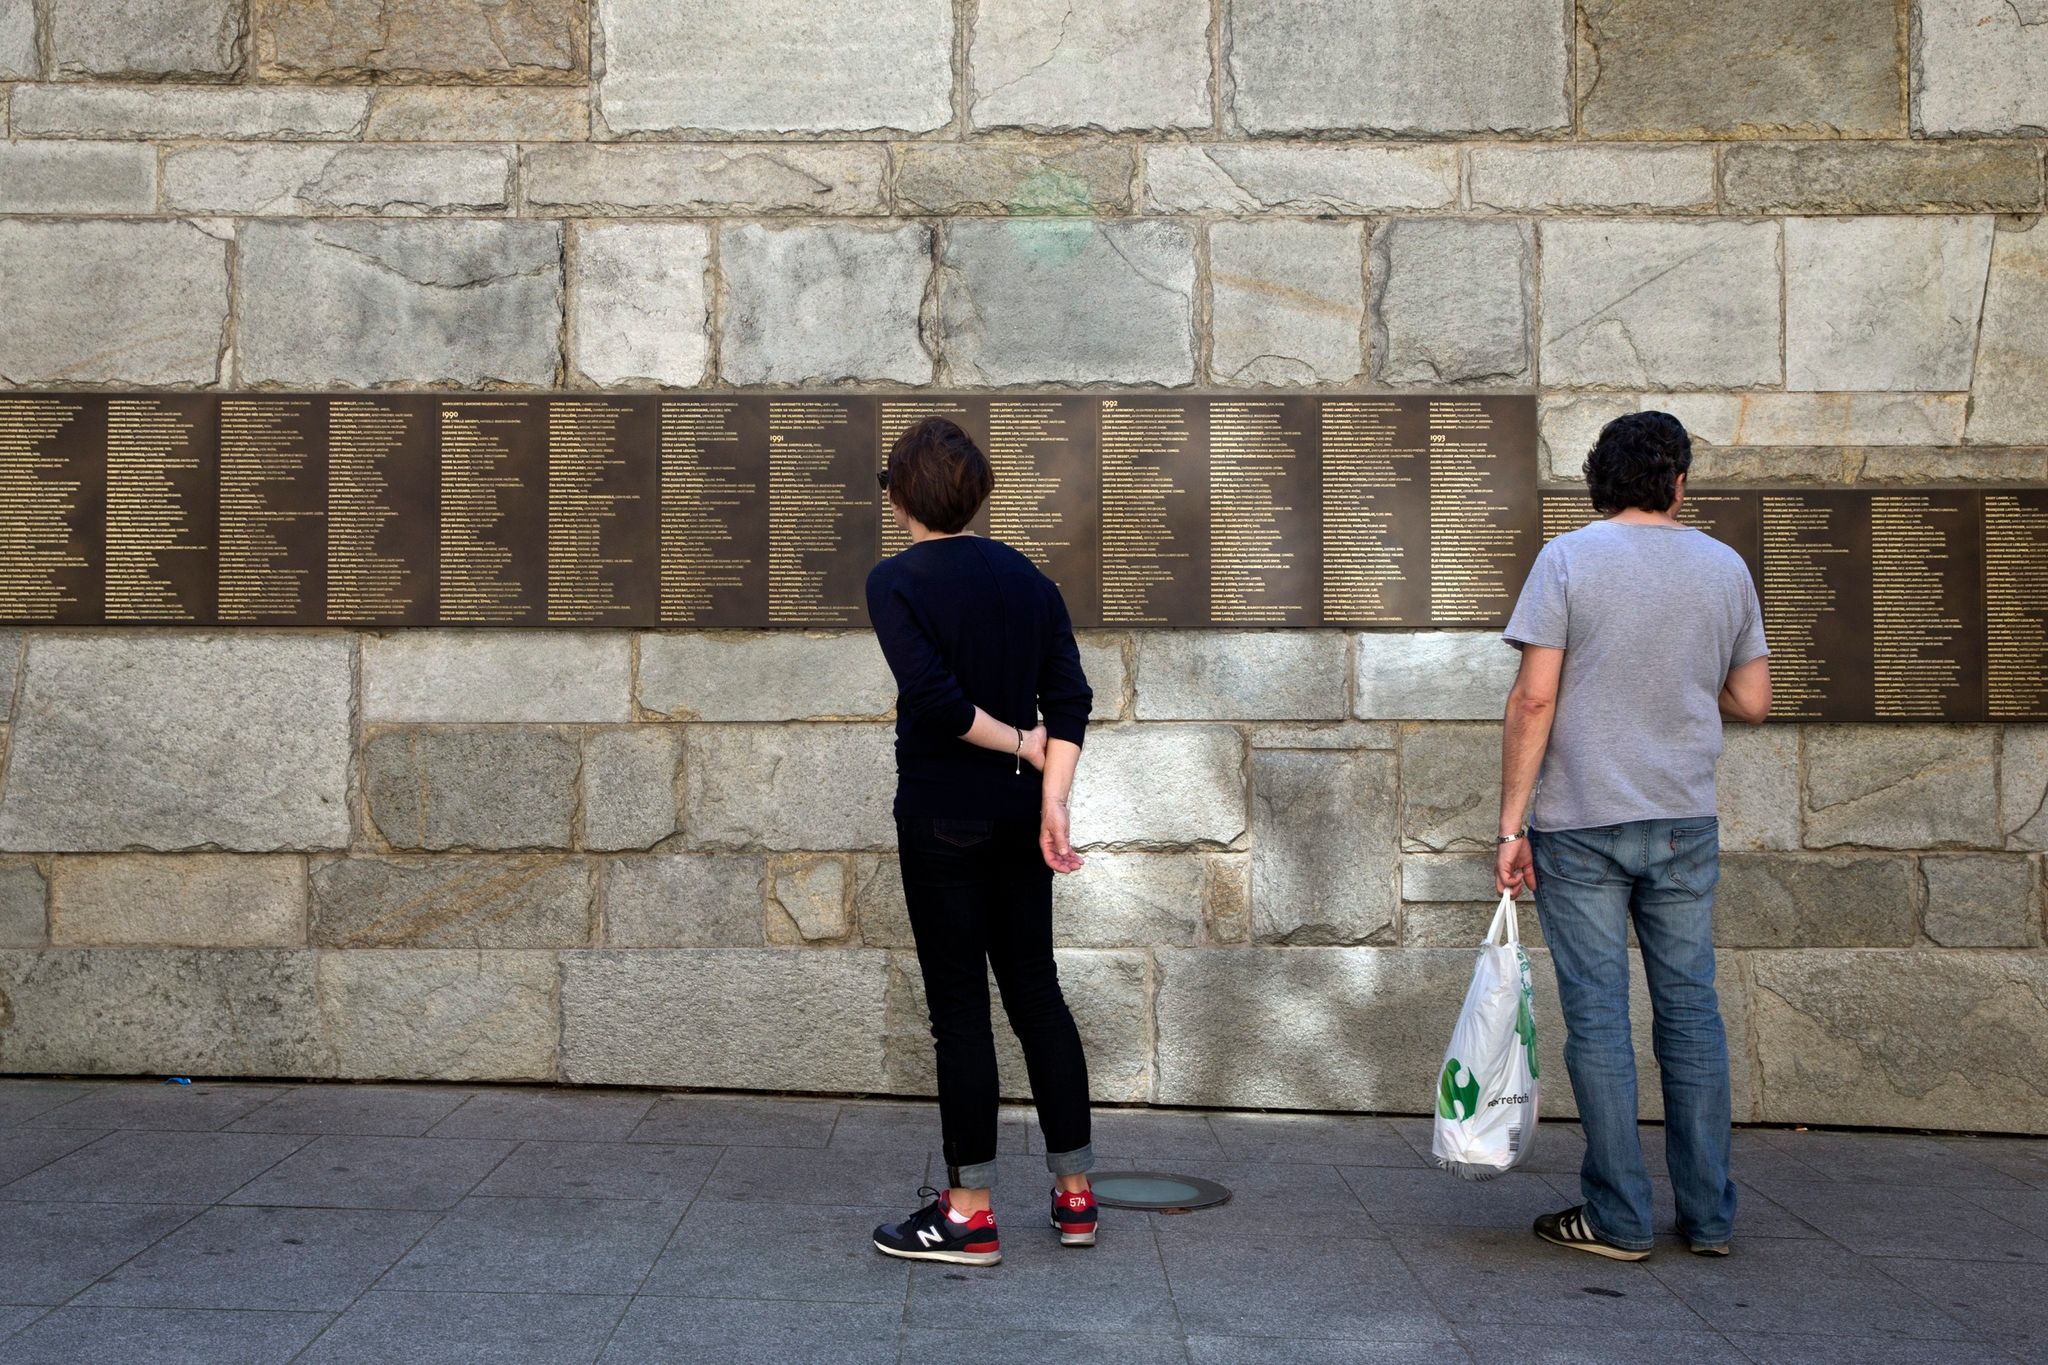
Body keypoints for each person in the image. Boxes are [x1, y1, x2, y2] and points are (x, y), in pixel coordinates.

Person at [1495, 410, 1771, 1262]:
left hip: (1582, 823)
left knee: (1601, 1020)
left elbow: (1534, 699)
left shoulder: (1569, 559)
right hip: (1683, 821)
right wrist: (1685, 688)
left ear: (1598, 479)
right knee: (1691, 1013)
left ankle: (1617, 1216)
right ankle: (1710, 1216)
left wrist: (1511, 823)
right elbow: (1753, 699)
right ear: (1678, 480)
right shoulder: (1724, 567)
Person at [864, 416, 1097, 1268]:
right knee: (1037, 993)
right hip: (1015, 817)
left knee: (961, 1009)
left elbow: (933, 699)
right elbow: (1070, 697)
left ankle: (968, 1214)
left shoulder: (895, 583)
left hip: (940, 818)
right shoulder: (1028, 580)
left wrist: (1021, 747)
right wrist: (1052, 796)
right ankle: (1076, 1196)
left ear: (900, 499)